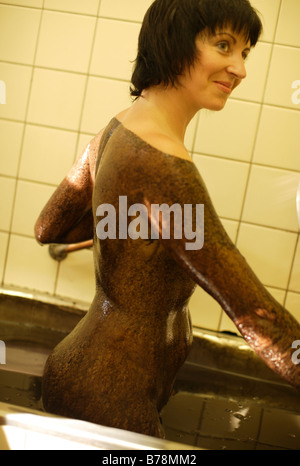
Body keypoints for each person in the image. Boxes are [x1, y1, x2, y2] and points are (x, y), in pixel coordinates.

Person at [34, 0, 300, 438]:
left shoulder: (118, 129)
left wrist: (127, 223)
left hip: (94, 380)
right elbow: (254, 313)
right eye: (223, 45)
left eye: (245, 52)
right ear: (173, 42)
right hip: (108, 395)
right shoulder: (162, 165)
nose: (240, 68)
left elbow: (50, 227)